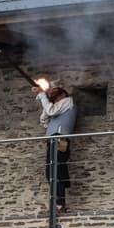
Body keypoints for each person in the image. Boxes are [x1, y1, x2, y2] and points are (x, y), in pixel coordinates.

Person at [32, 80, 76, 213]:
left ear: (63, 95)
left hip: (60, 139)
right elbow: (44, 119)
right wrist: (47, 102)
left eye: (56, 96)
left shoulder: (68, 101)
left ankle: (59, 205)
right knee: (51, 172)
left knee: (56, 171)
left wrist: (43, 96)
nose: (55, 99)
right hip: (52, 140)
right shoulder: (56, 107)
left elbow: (51, 112)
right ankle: (57, 203)